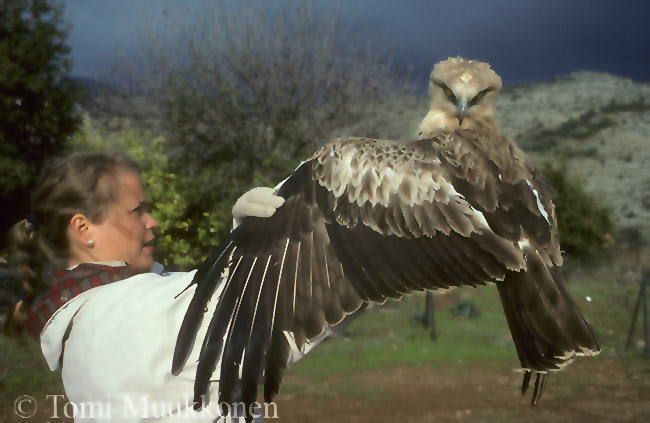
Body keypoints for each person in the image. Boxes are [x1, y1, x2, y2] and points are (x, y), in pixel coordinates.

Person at [4, 151, 291, 422]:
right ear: (84, 229)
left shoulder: (87, 313)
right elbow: (274, 303)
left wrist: (247, 243)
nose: (152, 222)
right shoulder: (122, 312)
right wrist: (294, 219)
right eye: (136, 211)